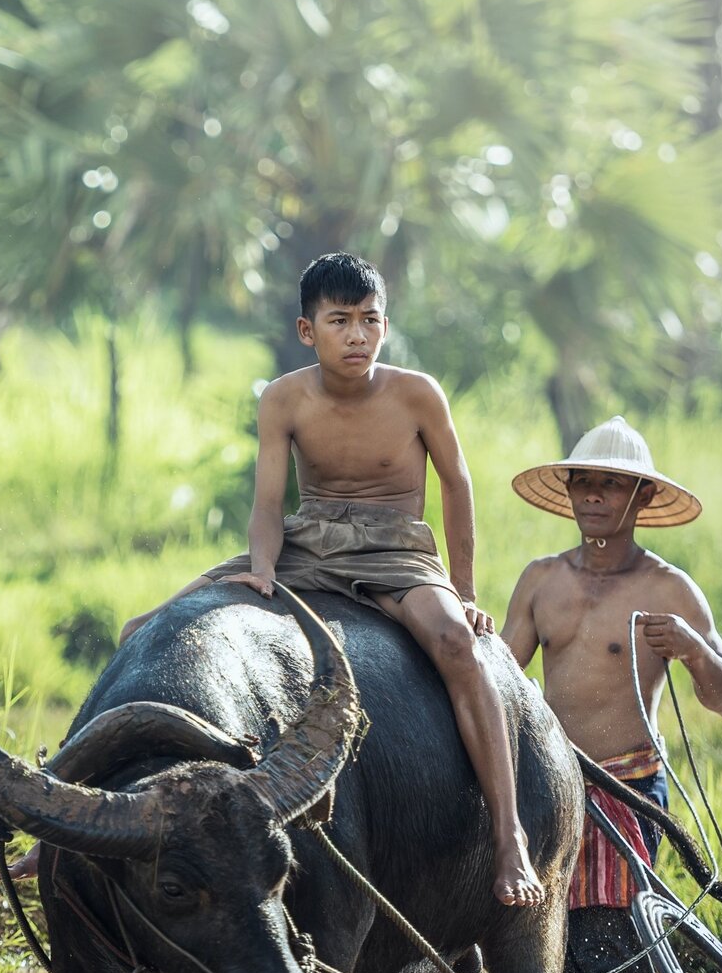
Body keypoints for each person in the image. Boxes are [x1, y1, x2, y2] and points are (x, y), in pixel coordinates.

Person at [111, 252, 545, 908]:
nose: (357, 335)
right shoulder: (284, 397)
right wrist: (260, 567)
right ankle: (80, 814)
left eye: (369, 320)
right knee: (139, 627)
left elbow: (457, 485)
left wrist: (464, 590)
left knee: (457, 645)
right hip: (309, 542)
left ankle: (509, 835)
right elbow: (267, 504)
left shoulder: (416, 393)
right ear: (307, 331)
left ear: (386, 325)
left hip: (394, 549)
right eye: (339, 321)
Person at [499, 416, 722, 973]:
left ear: (644, 497)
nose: (592, 496)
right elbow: (501, 680)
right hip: (550, 785)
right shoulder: (542, 580)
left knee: (610, 943)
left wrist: (691, 647)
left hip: (627, 788)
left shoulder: (668, 588)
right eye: (583, 482)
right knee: (538, 942)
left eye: (610, 484)